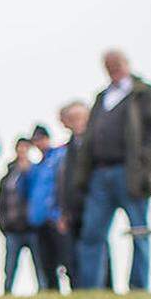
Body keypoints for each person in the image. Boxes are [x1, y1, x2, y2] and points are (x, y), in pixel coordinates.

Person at [73, 50, 151, 291]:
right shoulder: (102, 98)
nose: (113, 68)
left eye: (116, 63)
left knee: (139, 229)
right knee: (92, 234)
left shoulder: (146, 94)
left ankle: (138, 286)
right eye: (108, 65)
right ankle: (90, 289)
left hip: (131, 174)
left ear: (127, 63)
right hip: (100, 174)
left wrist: (143, 159)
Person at [21, 126, 71, 291]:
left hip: (55, 218)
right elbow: (27, 192)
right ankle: (51, 292)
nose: (39, 143)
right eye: (36, 140)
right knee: (46, 263)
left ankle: (76, 290)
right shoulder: (35, 167)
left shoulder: (59, 156)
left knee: (66, 259)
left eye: (41, 139)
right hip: (38, 220)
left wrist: (61, 213)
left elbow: (61, 186)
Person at [0, 139, 39, 293]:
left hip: (32, 227)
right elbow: (0, 203)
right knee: (9, 267)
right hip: (12, 228)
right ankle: (6, 293)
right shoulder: (8, 176)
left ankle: (43, 290)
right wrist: (3, 224)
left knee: (39, 265)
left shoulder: (36, 172)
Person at [56, 101, 90, 286]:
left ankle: (99, 287)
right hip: (71, 209)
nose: (77, 123)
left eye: (80, 118)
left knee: (93, 247)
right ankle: (79, 288)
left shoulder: (93, 145)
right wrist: (63, 211)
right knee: (72, 253)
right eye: (72, 119)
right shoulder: (68, 150)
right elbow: (63, 184)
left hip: (91, 205)